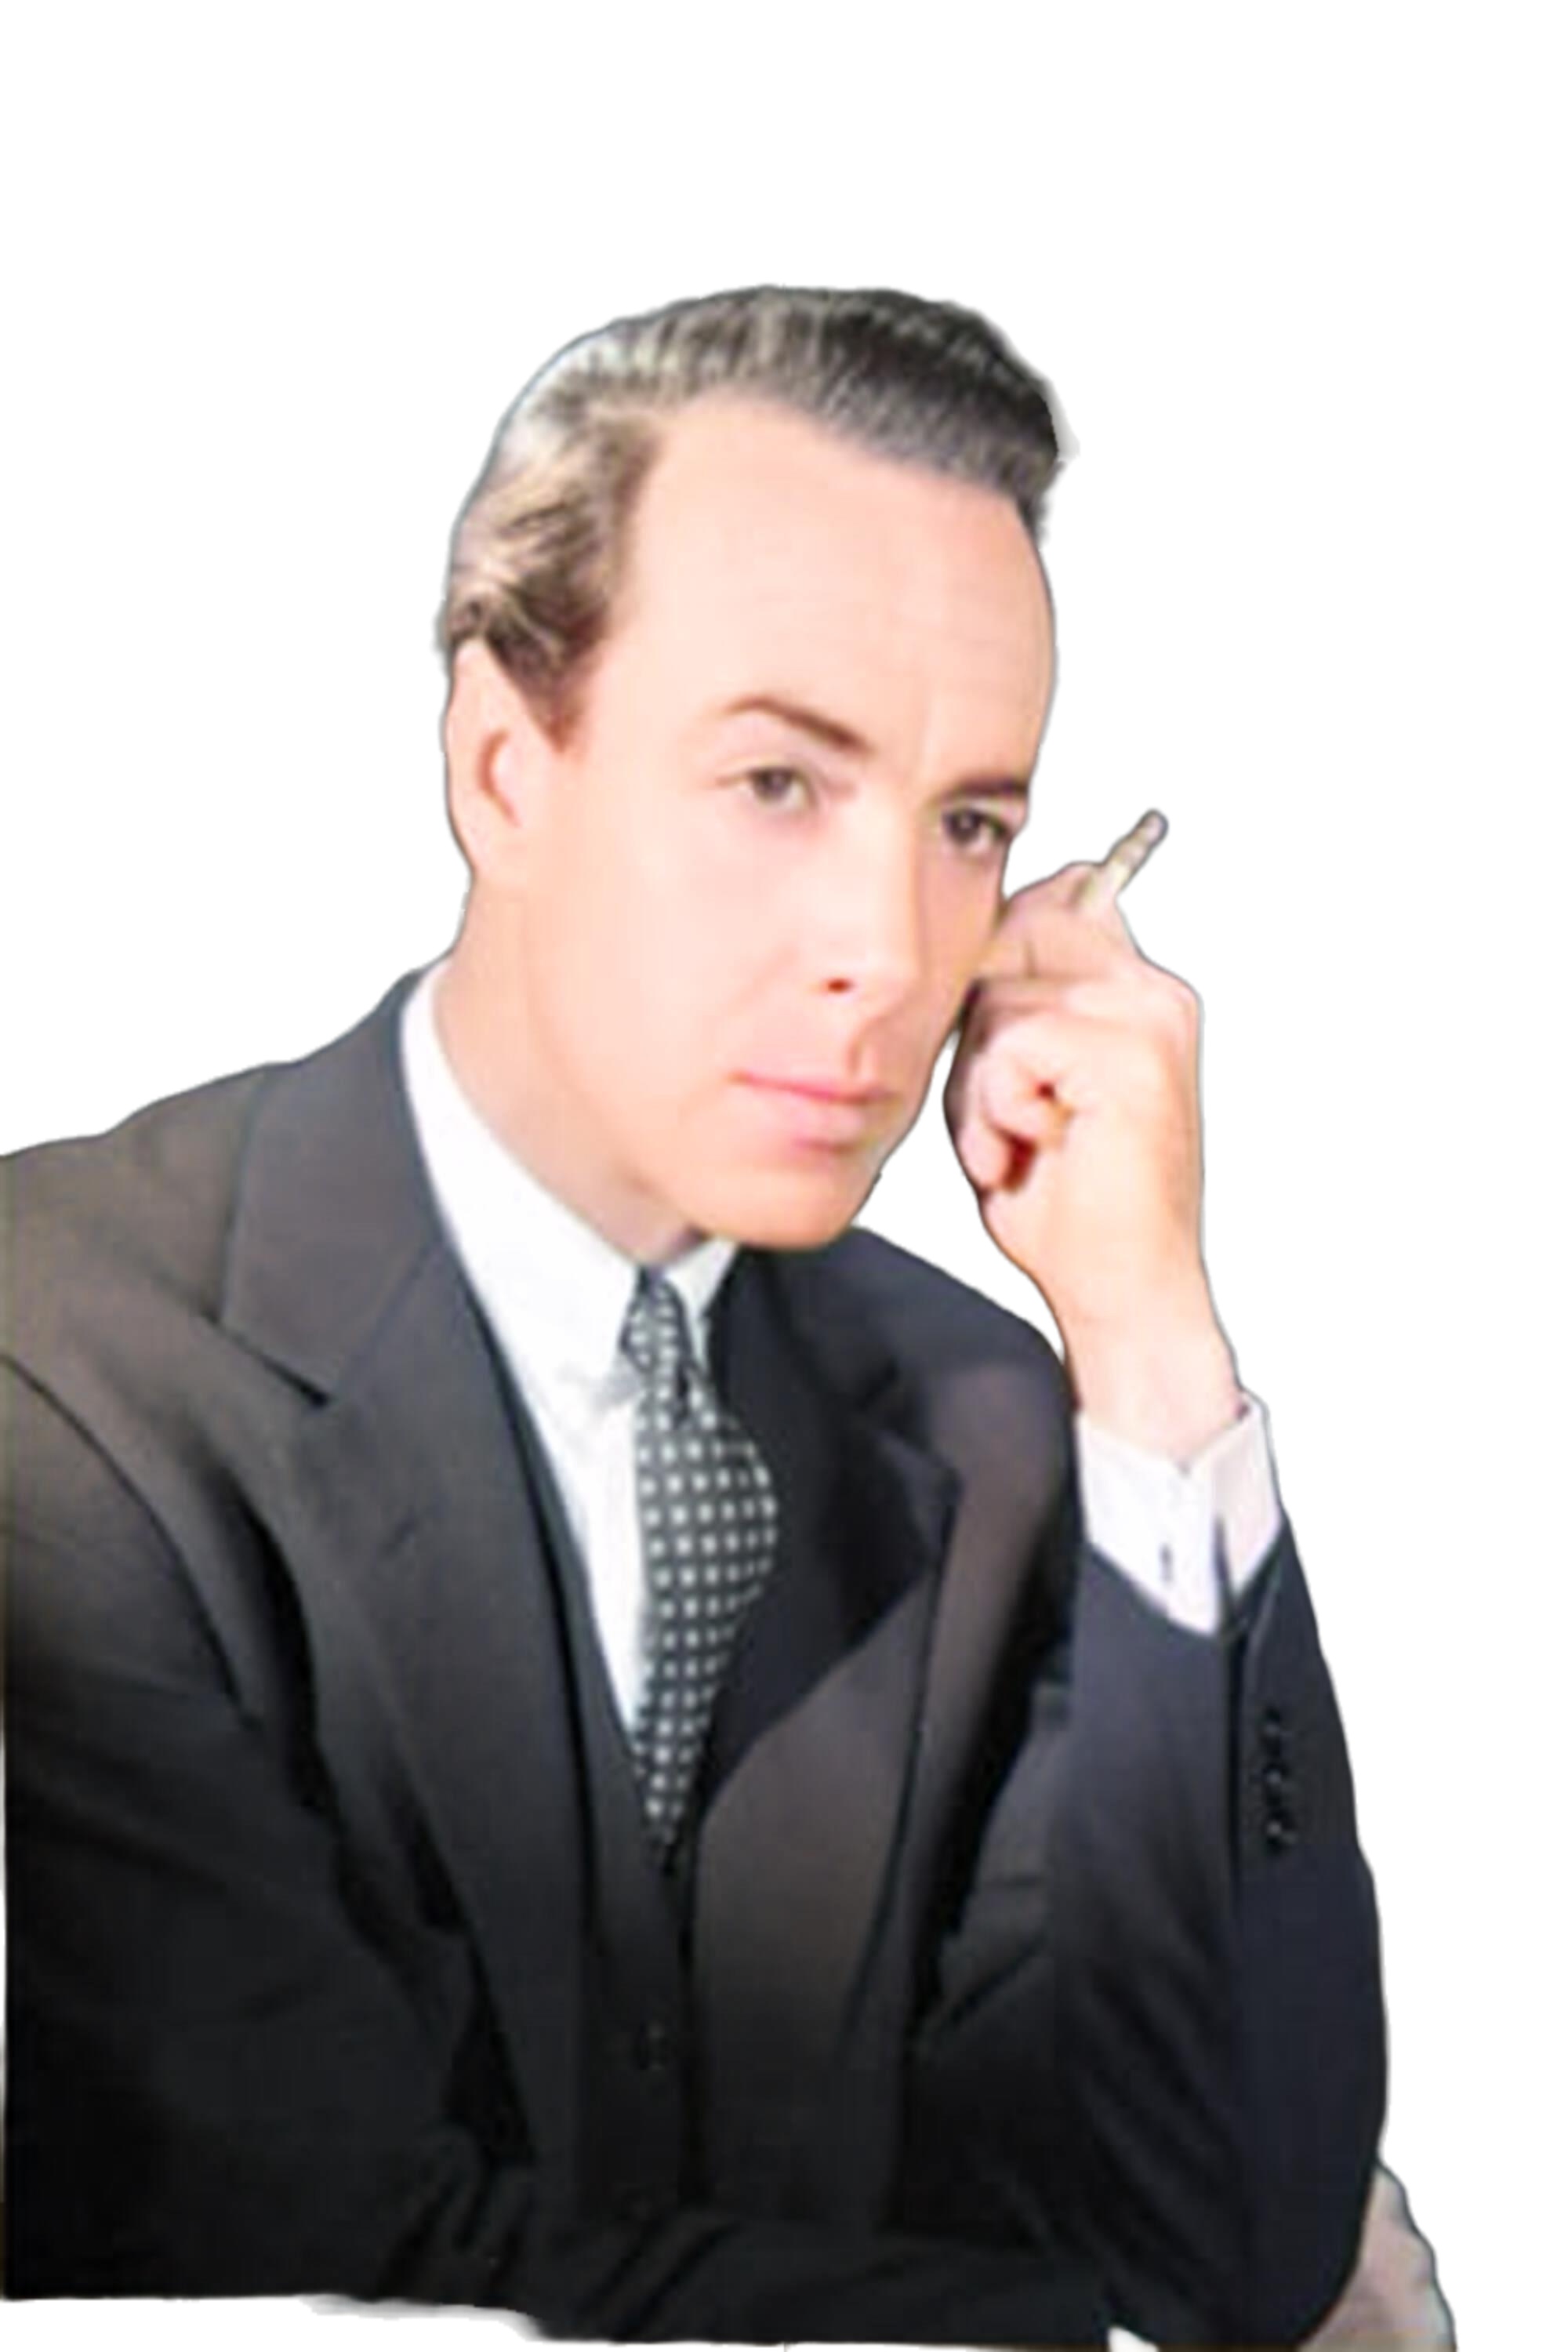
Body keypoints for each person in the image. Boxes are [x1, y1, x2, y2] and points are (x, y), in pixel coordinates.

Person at [2, 285, 1388, 2345]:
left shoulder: (1000, 1428)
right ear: (503, 769)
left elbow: (1226, 2245)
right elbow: (303, 2268)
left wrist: (1156, 1351)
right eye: (776, 783)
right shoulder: (55, 1373)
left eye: (970, 826)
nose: (889, 953)